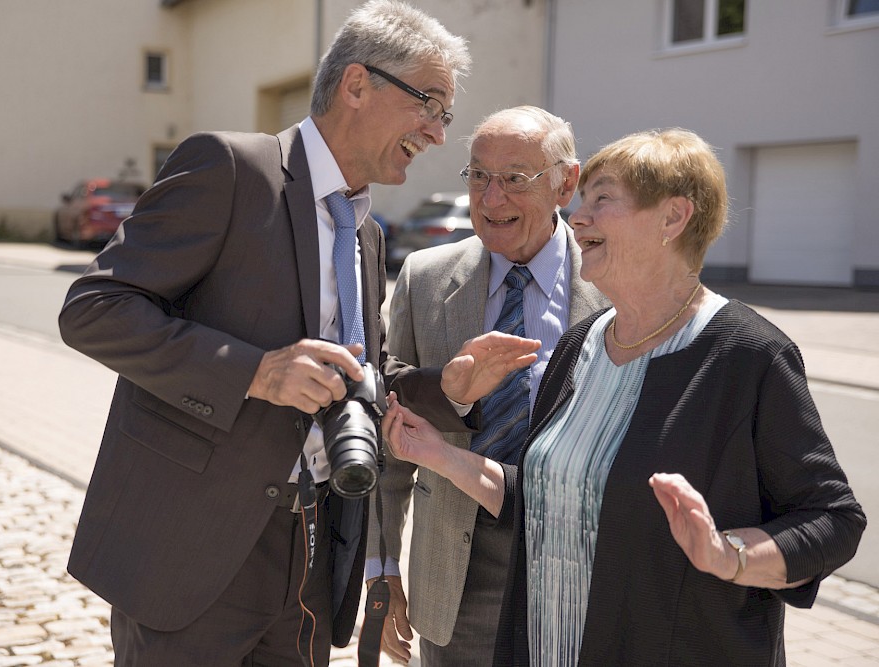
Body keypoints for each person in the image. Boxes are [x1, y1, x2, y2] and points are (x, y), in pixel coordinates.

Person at [57, 2, 540, 664]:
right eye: (429, 104)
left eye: (445, 114)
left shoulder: (366, 234)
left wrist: (444, 387)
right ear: (357, 84)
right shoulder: (229, 169)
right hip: (193, 552)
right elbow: (96, 307)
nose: (436, 132)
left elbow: (348, 375)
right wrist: (255, 371)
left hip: (312, 550)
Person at [381, 128, 867, 666]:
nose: (578, 217)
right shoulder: (579, 344)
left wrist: (729, 555)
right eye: (582, 200)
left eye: (602, 199)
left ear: (673, 218)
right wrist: (439, 455)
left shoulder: (749, 354)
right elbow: (544, 499)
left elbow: (832, 520)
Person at [365, 106, 607, 666]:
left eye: (515, 180)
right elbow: (391, 438)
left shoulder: (613, 285)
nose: (491, 198)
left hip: (580, 572)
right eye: (478, 176)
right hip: (457, 575)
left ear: (564, 183)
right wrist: (382, 570)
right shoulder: (425, 280)